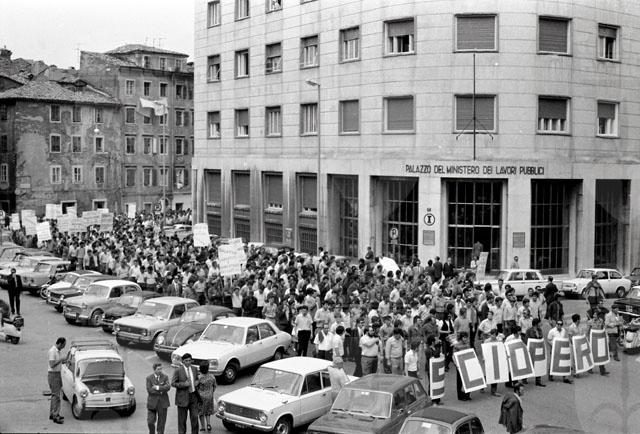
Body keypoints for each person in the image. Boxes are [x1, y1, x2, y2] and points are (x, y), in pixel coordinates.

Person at [172, 353, 200, 434]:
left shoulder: (194, 369)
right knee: (182, 420)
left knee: (195, 417)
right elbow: (173, 383)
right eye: (186, 361)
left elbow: (198, 379)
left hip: (193, 397)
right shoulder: (178, 370)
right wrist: (184, 384)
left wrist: (197, 382)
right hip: (182, 398)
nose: (188, 362)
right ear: (183, 361)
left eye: (189, 360)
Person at [146, 363, 171, 434]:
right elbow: (149, 390)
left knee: (161, 423)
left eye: (161, 369)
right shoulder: (149, 378)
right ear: (154, 370)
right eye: (158, 369)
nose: (160, 371)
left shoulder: (165, 377)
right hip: (152, 403)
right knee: (150, 422)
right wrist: (162, 390)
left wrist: (158, 387)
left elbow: (168, 387)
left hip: (163, 403)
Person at [47, 337, 66, 424]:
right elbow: (52, 364)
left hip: (56, 374)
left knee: (54, 396)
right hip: (53, 375)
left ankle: (52, 413)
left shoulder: (57, 351)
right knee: (57, 396)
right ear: (60, 344)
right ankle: (56, 415)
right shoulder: (53, 351)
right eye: (63, 345)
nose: (64, 347)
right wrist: (60, 359)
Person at [546, 320, 572, 384]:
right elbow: (548, 340)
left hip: (561, 349)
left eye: (560, 324)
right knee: (553, 362)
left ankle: (564, 377)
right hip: (554, 349)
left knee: (563, 362)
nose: (559, 325)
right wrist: (553, 345)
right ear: (556, 324)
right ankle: (550, 375)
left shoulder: (563, 330)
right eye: (558, 324)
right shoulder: (552, 331)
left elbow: (564, 339)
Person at [196, 361, 217, 433]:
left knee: (201, 412)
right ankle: (208, 424)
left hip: (201, 397)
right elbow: (214, 386)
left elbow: (196, 387)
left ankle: (203, 427)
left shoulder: (199, 377)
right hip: (209, 396)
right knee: (208, 411)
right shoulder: (212, 376)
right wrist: (211, 392)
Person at [454, 331, 471, 401]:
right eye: (464, 337)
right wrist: (456, 364)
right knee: (460, 381)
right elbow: (454, 355)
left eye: (466, 337)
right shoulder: (456, 345)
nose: (465, 339)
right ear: (461, 338)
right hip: (460, 364)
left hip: (467, 364)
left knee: (467, 379)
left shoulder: (468, 344)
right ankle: (460, 396)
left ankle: (467, 395)